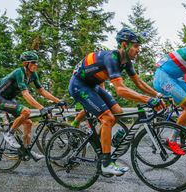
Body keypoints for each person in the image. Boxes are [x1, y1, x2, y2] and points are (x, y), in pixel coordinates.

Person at [68, 28, 165, 176]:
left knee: (118, 112)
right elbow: (120, 90)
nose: (138, 50)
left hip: (92, 85)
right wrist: (148, 100)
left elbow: (138, 82)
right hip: (79, 85)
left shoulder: (125, 61)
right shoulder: (112, 58)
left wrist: (157, 95)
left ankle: (98, 146)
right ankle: (106, 163)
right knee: (107, 118)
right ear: (124, 45)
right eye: (136, 46)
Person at [0, 51, 64, 160]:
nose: (36, 65)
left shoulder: (33, 74)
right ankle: (9, 133)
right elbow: (25, 94)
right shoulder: (19, 72)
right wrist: (41, 108)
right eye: (33, 63)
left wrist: (58, 101)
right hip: (0, 99)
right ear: (25, 64)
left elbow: (41, 91)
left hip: (10, 100)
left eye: (36, 63)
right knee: (26, 111)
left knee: (29, 123)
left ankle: (27, 150)